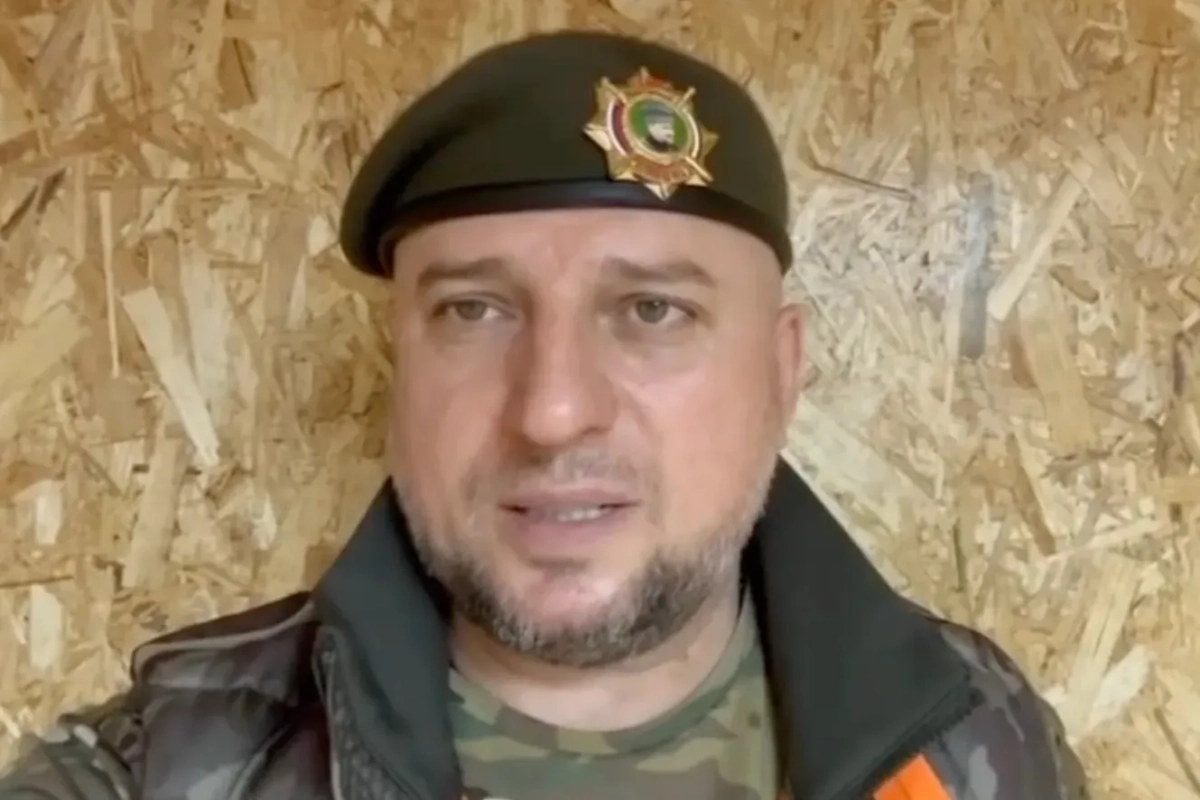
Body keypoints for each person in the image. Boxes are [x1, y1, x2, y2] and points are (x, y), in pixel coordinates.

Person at [0, 30, 1090, 800]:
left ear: (780, 369)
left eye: (652, 310)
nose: (554, 411)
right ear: (401, 366)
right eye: (474, 310)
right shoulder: (165, 763)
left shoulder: (978, 740)